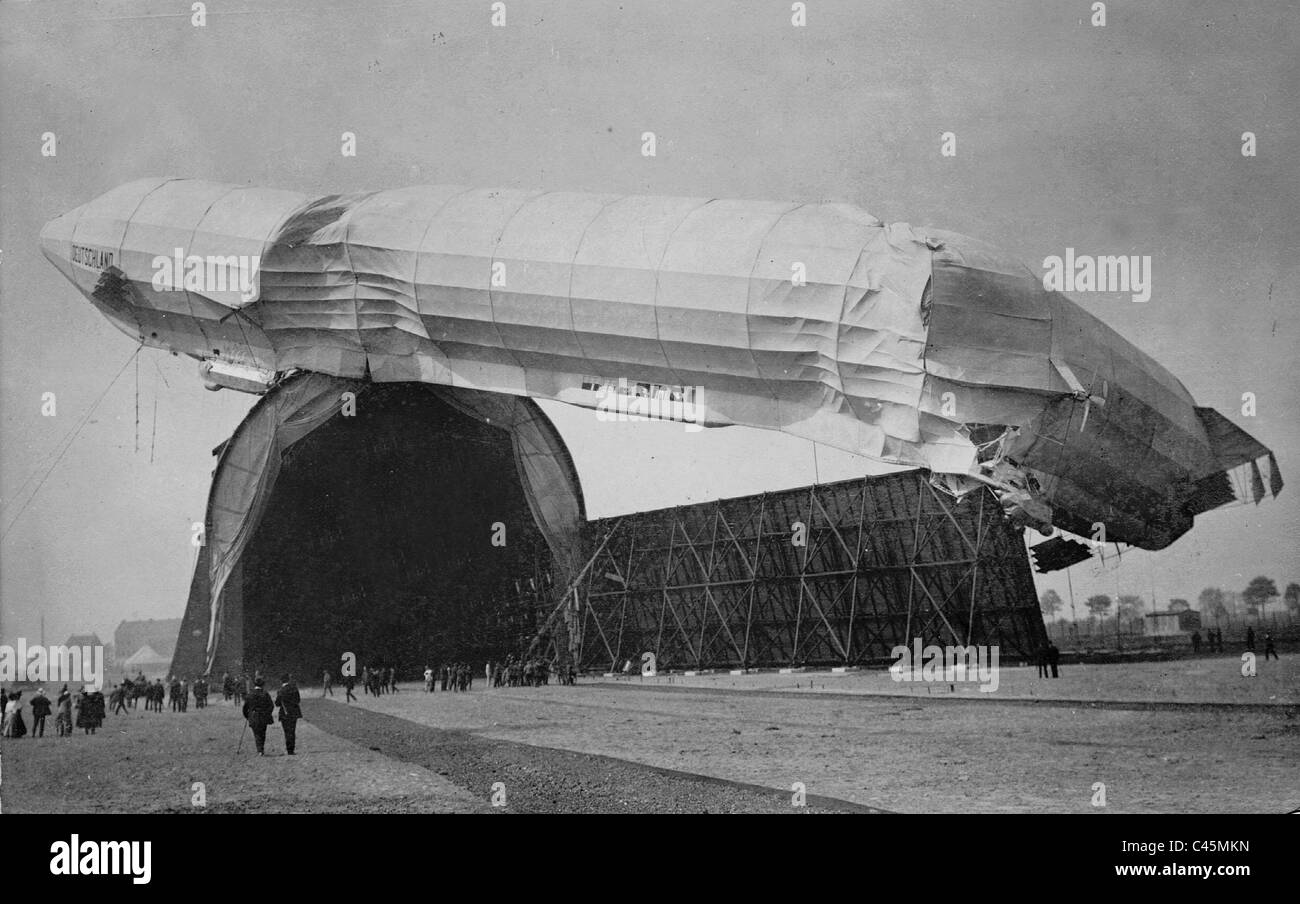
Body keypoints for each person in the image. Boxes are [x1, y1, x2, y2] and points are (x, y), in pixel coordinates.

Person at [242, 677, 275, 756]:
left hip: (254, 716)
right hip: (263, 716)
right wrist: (267, 713)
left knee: (256, 733)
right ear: (262, 685)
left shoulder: (250, 694)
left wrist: (247, 716)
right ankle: (261, 749)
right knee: (263, 733)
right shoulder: (265, 693)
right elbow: (271, 706)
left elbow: (245, 707)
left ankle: (259, 750)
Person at [274, 674, 302, 756]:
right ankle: (291, 749)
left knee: (287, 732)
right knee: (292, 731)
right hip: (294, 712)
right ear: (289, 680)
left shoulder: (280, 691)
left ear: (281, 681)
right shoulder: (294, 689)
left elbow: (277, 703)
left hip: (285, 713)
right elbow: (298, 700)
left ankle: (289, 749)